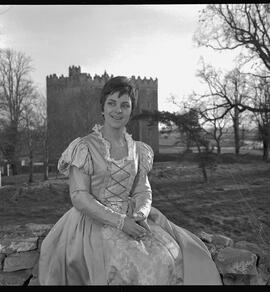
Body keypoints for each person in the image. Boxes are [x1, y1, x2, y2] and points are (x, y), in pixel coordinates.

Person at [38, 76, 222, 285]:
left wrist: (139, 214)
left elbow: (143, 189)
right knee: (136, 265)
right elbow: (79, 197)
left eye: (124, 105)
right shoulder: (84, 147)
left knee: (168, 253)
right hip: (93, 220)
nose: (118, 110)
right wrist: (120, 222)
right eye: (112, 103)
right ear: (103, 108)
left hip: (131, 215)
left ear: (131, 110)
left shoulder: (138, 150)